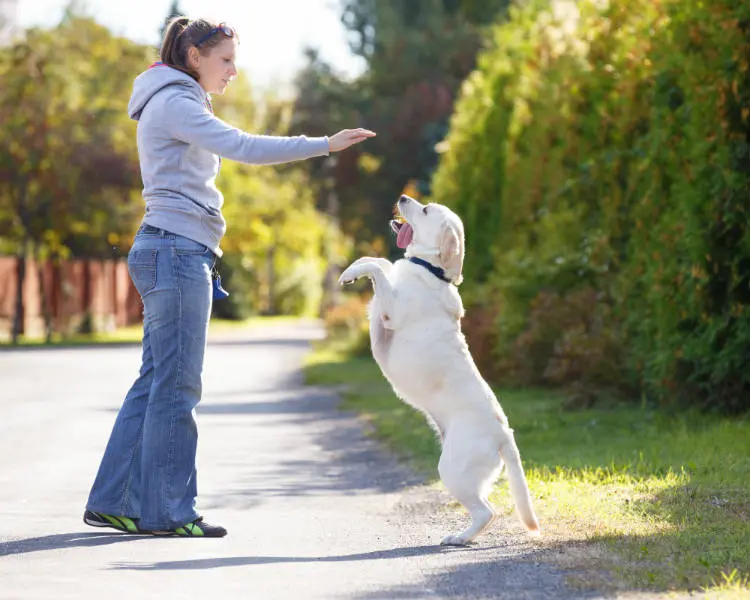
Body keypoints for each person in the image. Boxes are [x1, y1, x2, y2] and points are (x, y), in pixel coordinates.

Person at [83, 16, 375, 538]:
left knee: (155, 382)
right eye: (225, 60)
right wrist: (323, 144)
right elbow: (242, 147)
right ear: (194, 55)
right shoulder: (175, 102)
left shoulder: (173, 99)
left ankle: (115, 500)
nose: (233, 72)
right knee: (176, 385)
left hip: (168, 247)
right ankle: (169, 511)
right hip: (175, 250)